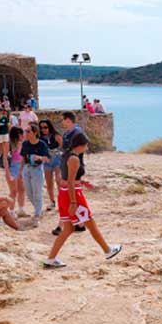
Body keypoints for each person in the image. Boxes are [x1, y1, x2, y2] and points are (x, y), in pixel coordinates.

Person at [43, 112, 122, 267]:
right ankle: (107, 250)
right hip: (73, 195)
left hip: (64, 194)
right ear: (80, 145)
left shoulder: (66, 156)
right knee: (90, 222)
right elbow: (71, 181)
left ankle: (51, 258)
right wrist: (74, 201)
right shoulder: (74, 159)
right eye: (86, 145)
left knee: (68, 229)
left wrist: (81, 182)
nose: (87, 148)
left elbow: (66, 178)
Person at [21, 123, 51, 221]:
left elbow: (48, 159)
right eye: (26, 131)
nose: (26, 133)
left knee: (37, 192)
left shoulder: (42, 144)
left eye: (28, 131)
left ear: (35, 133)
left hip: (37, 169)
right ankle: (39, 209)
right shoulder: (25, 144)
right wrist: (20, 171)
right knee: (29, 193)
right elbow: (22, 158)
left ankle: (37, 214)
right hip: (27, 168)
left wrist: (39, 157)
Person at [38, 119, 62, 211]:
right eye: (41, 128)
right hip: (47, 160)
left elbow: (62, 145)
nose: (43, 129)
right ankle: (52, 201)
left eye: (45, 127)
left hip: (57, 159)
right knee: (49, 183)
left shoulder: (55, 135)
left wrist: (55, 151)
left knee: (58, 180)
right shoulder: (40, 138)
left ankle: (61, 201)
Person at [5, 126, 26, 217]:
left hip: (21, 168)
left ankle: (21, 209)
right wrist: (7, 172)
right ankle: (11, 211)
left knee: (22, 189)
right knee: (13, 191)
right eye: (22, 134)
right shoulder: (8, 144)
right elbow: (5, 159)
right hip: (12, 168)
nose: (23, 135)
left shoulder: (23, 144)